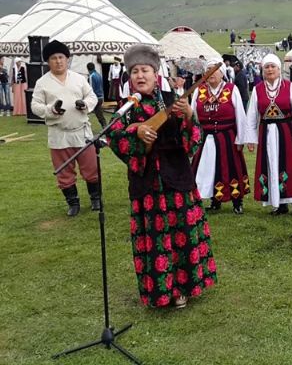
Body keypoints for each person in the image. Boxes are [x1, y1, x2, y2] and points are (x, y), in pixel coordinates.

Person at [106, 45, 216, 308]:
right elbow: (114, 137)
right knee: (155, 238)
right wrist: (136, 133)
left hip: (176, 178)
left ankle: (183, 288)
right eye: (135, 71)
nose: (140, 76)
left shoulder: (172, 100)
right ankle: (159, 292)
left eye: (145, 70)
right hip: (147, 184)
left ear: (156, 74)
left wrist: (188, 115)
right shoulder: (126, 107)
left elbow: (194, 139)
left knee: (182, 232)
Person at [31, 40, 100, 217]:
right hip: (58, 133)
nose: (58, 61)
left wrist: (85, 104)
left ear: (67, 59)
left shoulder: (79, 78)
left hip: (81, 131)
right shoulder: (42, 82)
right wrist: (50, 110)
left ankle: (96, 199)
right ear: (48, 61)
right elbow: (35, 106)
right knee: (64, 171)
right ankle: (73, 203)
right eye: (54, 58)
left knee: (91, 167)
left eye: (61, 57)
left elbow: (92, 96)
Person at [246, 54, 292, 217]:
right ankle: (279, 204)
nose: (270, 70)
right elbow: (252, 115)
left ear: (279, 69)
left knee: (290, 165)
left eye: (273, 66)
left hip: (286, 133)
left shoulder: (289, 86)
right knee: (270, 165)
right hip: (266, 133)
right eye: (266, 67)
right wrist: (251, 138)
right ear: (262, 70)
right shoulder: (258, 89)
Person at [191, 59, 250, 215]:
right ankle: (214, 201)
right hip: (205, 138)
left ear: (222, 73)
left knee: (231, 169)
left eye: (214, 69)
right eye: (208, 69)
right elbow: (193, 116)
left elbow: (240, 115)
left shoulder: (231, 89)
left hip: (227, 138)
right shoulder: (199, 90)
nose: (210, 72)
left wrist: (241, 139)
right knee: (207, 169)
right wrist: (193, 137)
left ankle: (237, 202)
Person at [87, 62, 107, 127]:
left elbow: (90, 89)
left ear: (88, 69)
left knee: (86, 111)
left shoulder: (91, 76)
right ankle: (105, 127)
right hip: (101, 97)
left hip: (95, 97)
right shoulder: (99, 75)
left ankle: (105, 127)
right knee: (99, 114)